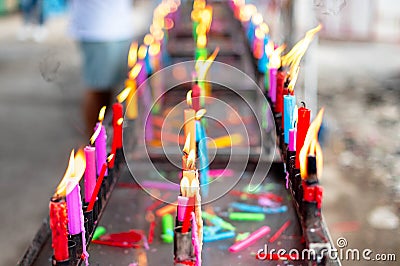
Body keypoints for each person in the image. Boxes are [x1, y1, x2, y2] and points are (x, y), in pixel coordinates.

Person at [69, 0, 134, 136]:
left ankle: (99, 141)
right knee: (97, 90)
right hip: (99, 29)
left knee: (106, 90)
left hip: (114, 26)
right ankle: (91, 143)